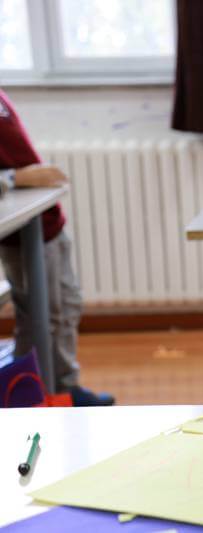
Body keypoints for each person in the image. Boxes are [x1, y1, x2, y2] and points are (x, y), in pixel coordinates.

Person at [0, 89, 114, 406]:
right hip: (21, 231)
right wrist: (15, 177)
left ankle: (62, 387)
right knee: (42, 317)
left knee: (64, 307)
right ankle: (33, 395)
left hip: (44, 221)